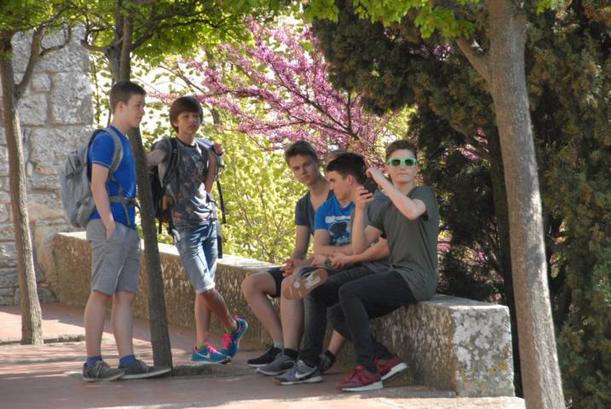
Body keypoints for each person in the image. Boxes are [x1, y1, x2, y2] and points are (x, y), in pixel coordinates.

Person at [331, 140, 439, 392]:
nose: (402, 167)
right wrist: (360, 210)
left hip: (418, 279)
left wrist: (382, 182)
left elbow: (411, 211)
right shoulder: (386, 206)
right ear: (388, 166)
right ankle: (384, 359)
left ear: (416, 168)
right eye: (396, 162)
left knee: (349, 291)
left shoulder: (423, 194)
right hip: (398, 276)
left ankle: (368, 371)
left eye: (408, 162)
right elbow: (359, 247)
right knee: (337, 313)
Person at [275, 152, 390, 385]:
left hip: (375, 270)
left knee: (316, 287)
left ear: (349, 180)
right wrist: (342, 256)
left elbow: (378, 248)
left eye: (333, 180)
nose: (330, 186)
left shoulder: (376, 203)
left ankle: (309, 362)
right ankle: (306, 360)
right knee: (311, 282)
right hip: (354, 264)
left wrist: (344, 257)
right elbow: (335, 246)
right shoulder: (353, 207)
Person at [147, 96, 247, 364]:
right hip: (184, 227)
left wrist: (216, 158)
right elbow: (149, 161)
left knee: (205, 289)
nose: (192, 121)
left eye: (196, 116)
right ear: (175, 121)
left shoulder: (205, 147)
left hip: (208, 224)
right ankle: (233, 327)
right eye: (186, 117)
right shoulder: (167, 147)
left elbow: (208, 186)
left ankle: (202, 346)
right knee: (204, 287)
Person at [83, 81, 170, 382]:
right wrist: (109, 223)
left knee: (126, 295)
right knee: (101, 292)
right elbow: (97, 183)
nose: (142, 111)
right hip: (110, 226)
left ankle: (127, 359)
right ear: (119, 106)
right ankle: (92, 362)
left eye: (143, 106)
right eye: (137, 106)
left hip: (127, 227)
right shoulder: (106, 140)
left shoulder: (126, 141)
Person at [242, 142, 345, 375]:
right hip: (311, 263)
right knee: (252, 284)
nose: (303, 172)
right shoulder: (303, 204)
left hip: (332, 265)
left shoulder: (337, 194)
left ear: (317, 162)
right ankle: (280, 346)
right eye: (296, 168)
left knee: (293, 282)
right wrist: (293, 262)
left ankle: (290, 354)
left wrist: (302, 265)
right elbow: (300, 248)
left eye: (306, 165)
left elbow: (337, 247)